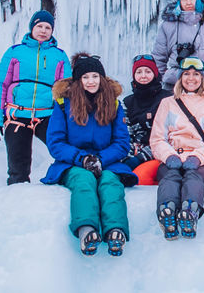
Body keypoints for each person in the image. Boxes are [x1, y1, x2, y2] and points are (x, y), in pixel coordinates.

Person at [41, 54, 137, 255]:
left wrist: (101, 159)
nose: (91, 81)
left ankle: (115, 231)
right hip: (73, 162)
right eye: (85, 77)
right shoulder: (62, 104)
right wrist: (81, 159)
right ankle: (87, 230)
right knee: (83, 181)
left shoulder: (115, 104)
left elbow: (121, 143)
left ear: (102, 78)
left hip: (106, 161)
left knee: (111, 182)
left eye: (95, 76)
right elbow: (55, 142)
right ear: (78, 81)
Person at [0, 10, 71, 184]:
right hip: (17, 116)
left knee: (64, 151)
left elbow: (66, 91)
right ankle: (17, 201)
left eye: (48, 27)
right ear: (32, 27)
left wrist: (67, 119)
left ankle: (64, 186)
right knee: (18, 168)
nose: (43, 30)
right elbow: (0, 86)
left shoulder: (60, 56)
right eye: (39, 26)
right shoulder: (15, 52)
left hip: (47, 115)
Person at [149, 57, 204, 239]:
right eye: (186, 74)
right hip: (173, 157)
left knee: (194, 176)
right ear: (179, 78)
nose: (191, 78)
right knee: (171, 176)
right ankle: (166, 211)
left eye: (195, 74)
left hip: (202, 161)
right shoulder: (167, 103)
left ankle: (190, 211)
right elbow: (157, 138)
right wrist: (169, 156)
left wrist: (199, 157)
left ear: (202, 78)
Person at [122, 54, 172, 185]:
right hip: (134, 153)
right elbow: (126, 134)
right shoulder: (127, 102)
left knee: (140, 177)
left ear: (155, 74)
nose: (143, 75)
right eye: (139, 72)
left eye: (148, 71)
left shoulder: (167, 99)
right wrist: (130, 156)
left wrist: (141, 157)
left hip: (160, 153)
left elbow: (170, 136)